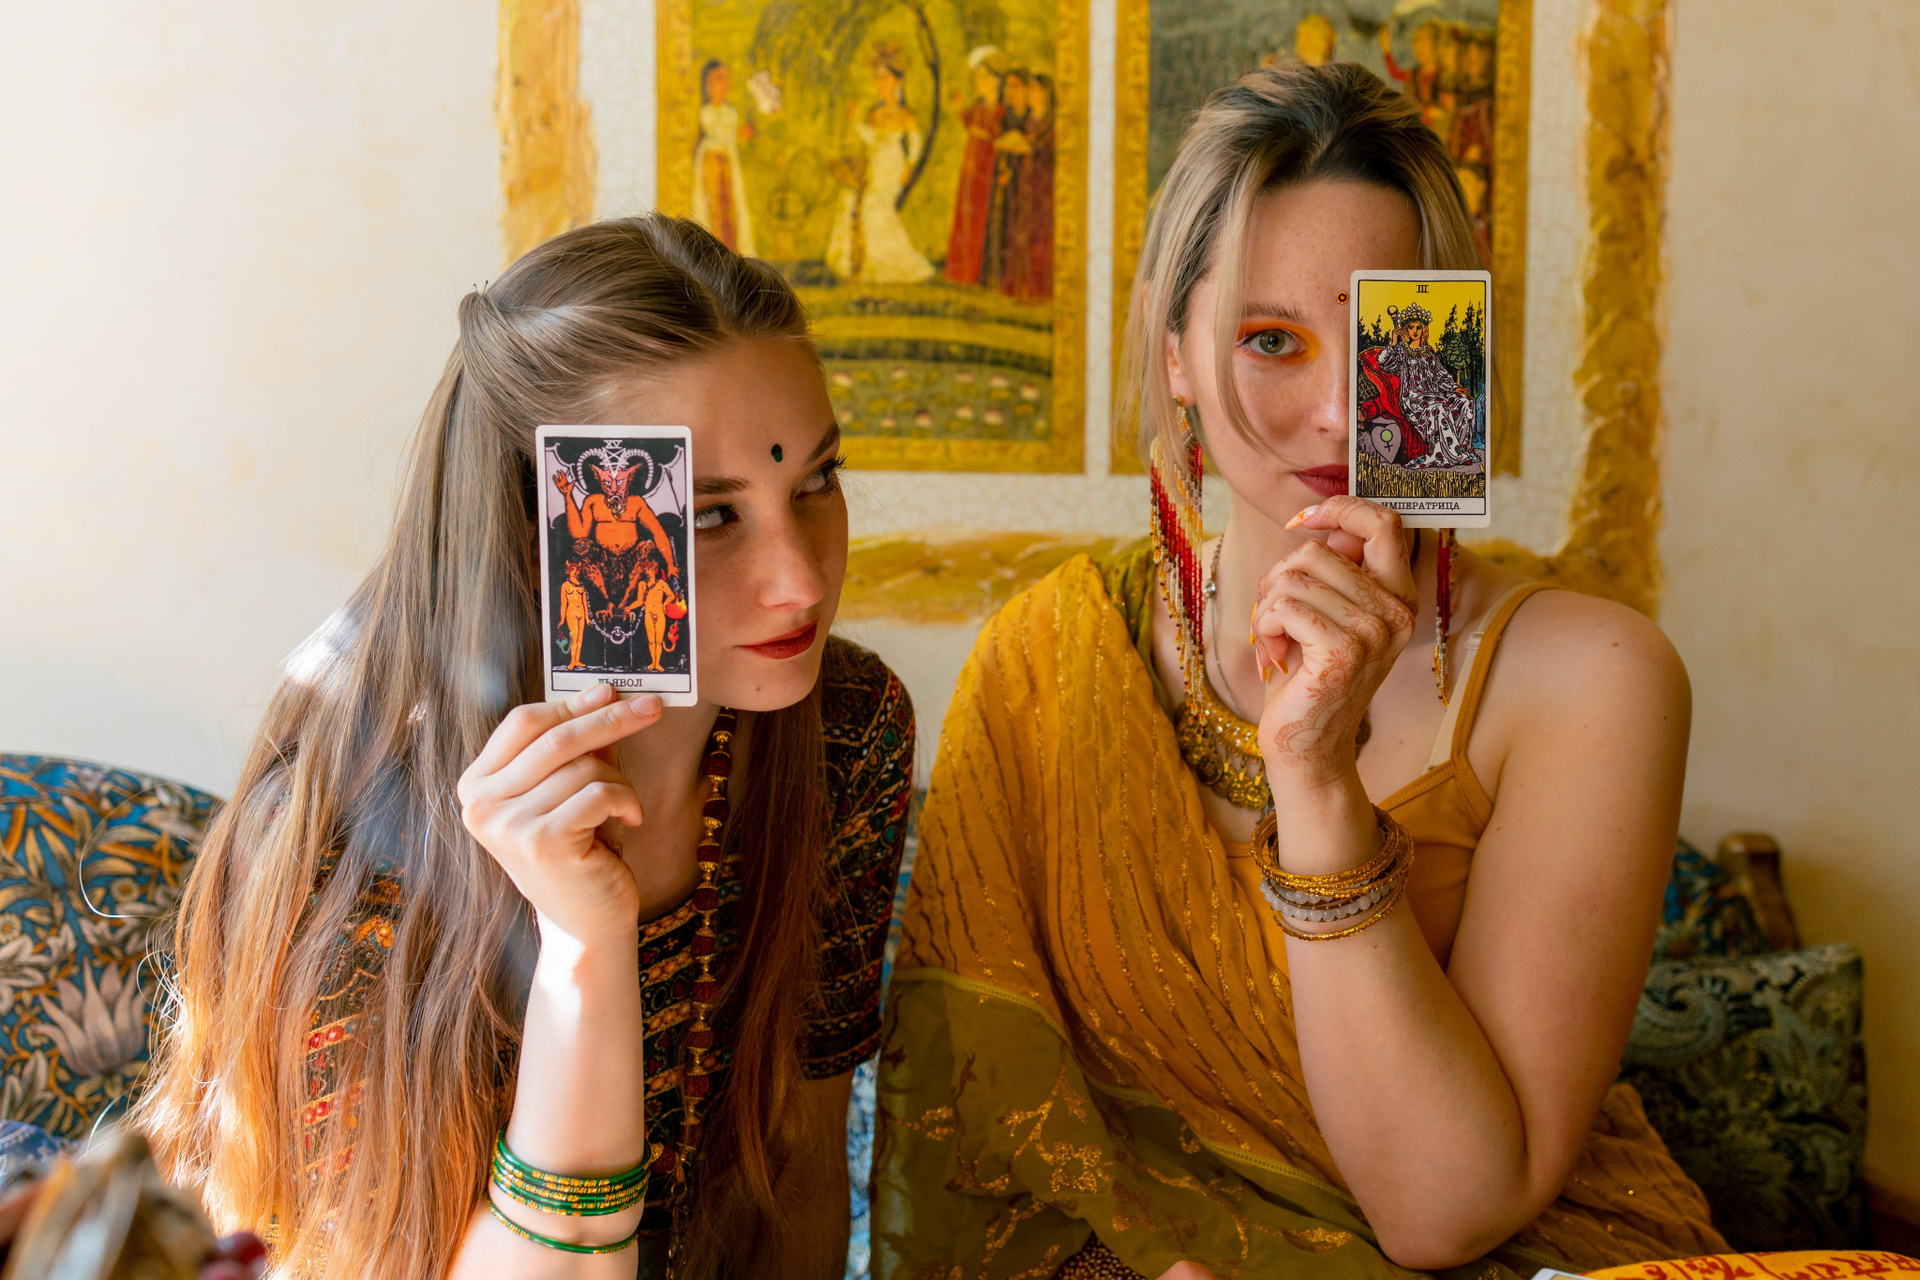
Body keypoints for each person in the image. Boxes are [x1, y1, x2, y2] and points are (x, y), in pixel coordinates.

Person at [874, 63, 1729, 1280]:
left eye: (1390, 339)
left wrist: (1318, 779)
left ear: (1454, 347)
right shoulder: (1049, 655)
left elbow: (1447, 1211)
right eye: (1269, 340)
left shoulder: (1595, 679)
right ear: (1174, 352)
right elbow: (976, 1133)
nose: (1336, 412)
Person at [138, 214, 916, 1280]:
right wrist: (583, 942)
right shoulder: (347, 835)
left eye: (816, 481)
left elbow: (803, 1171)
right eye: (710, 516)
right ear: (538, 521)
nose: (803, 580)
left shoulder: (845, 729)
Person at [826, 46, 934, 285]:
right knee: (852, 201)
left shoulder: (905, 115)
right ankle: (857, 264)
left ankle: (894, 264)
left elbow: (915, 141)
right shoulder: (876, 113)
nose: (879, 83)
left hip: (893, 166)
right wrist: (855, 120)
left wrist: (910, 166)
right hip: (875, 165)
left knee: (875, 208)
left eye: (884, 77)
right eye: (877, 78)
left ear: (897, 81)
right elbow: (871, 138)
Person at [944, 46, 1008, 287]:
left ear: (996, 81)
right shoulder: (978, 107)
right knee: (967, 216)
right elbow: (968, 122)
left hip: (988, 168)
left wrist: (983, 135)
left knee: (984, 218)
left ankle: (977, 272)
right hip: (971, 170)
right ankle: (961, 270)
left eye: (983, 76)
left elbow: (998, 136)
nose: (978, 82)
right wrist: (959, 108)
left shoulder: (1001, 111)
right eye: (977, 77)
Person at [691, 60, 755, 255]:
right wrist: (737, 136)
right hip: (712, 164)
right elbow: (718, 136)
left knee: (730, 207)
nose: (725, 84)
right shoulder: (706, 113)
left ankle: (731, 250)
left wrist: (740, 136)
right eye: (719, 78)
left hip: (727, 164)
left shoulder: (730, 112)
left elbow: (729, 139)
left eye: (727, 78)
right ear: (708, 84)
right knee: (713, 209)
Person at [1000, 72, 1054, 303]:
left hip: (1043, 190)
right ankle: (1019, 287)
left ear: (1044, 93)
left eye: (1033, 89)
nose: (1029, 94)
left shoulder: (1050, 125)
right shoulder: (1027, 123)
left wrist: (1026, 147)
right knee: (1019, 234)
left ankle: (1037, 289)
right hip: (1024, 188)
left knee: (1038, 238)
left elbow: (1045, 152)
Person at [559, 561, 589, 670]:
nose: (575, 572)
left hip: (581, 612)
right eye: (572, 570)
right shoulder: (565, 586)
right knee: (574, 637)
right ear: (568, 571)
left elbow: (585, 603)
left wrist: (587, 617)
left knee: (580, 638)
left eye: (576, 570)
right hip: (571, 613)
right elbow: (563, 604)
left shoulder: (581, 585)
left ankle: (577, 660)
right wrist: (562, 619)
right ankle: (572, 661)